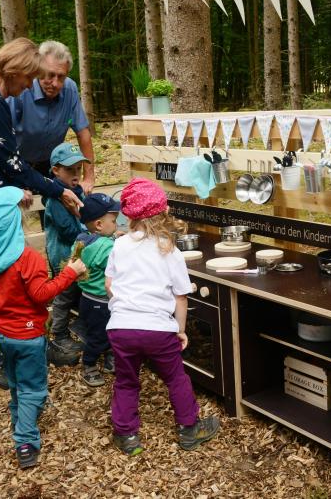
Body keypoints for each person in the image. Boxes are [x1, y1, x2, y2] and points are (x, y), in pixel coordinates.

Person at [0, 38, 84, 389]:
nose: (28, 86)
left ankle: (26, 344)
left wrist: (14, 188)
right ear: (15, 71)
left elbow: (2, 162)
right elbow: (13, 164)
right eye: (28, 78)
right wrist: (58, 190)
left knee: (11, 279)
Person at [0, 186, 86, 469]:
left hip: (4, 333)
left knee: (17, 383)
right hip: (29, 335)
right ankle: (25, 440)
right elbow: (42, 295)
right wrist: (70, 273)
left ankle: (20, 417)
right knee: (33, 388)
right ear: (14, 223)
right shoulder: (28, 258)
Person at [104, 178, 220, 455]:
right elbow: (181, 296)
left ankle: (126, 435)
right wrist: (180, 329)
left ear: (130, 215)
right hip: (157, 329)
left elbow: (109, 285)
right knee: (176, 378)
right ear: (161, 214)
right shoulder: (170, 250)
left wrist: (123, 307)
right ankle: (189, 429)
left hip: (121, 327)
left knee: (126, 380)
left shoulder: (119, 245)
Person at [9, 40, 95, 189]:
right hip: (17, 164)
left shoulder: (70, 89)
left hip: (51, 166)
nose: (55, 83)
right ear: (38, 69)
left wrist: (88, 177)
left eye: (61, 77)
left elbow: (83, 133)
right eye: (50, 75)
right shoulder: (22, 89)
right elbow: (2, 136)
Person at [43, 143, 89, 362]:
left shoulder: (77, 192)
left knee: (81, 292)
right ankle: (59, 334)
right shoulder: (55, 200)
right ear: (55, 171)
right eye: (70, 170)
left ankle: (78, 327)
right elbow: (69, 231)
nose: (76, 174)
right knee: (64, 296)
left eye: (79, 169)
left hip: (78, 255)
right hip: (63, 258)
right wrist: (90, 231)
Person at [72, 193, 122, 386]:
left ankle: (110, 357)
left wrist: (113, 237)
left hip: (87, 298)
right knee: (99, 336)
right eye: (114, 221)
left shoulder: (83, 239)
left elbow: (97, 248)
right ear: (99, 225)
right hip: (101, 302)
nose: (117, 224)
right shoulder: (107, 248)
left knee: (101, 331)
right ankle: (89, 364)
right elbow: (119, 264)